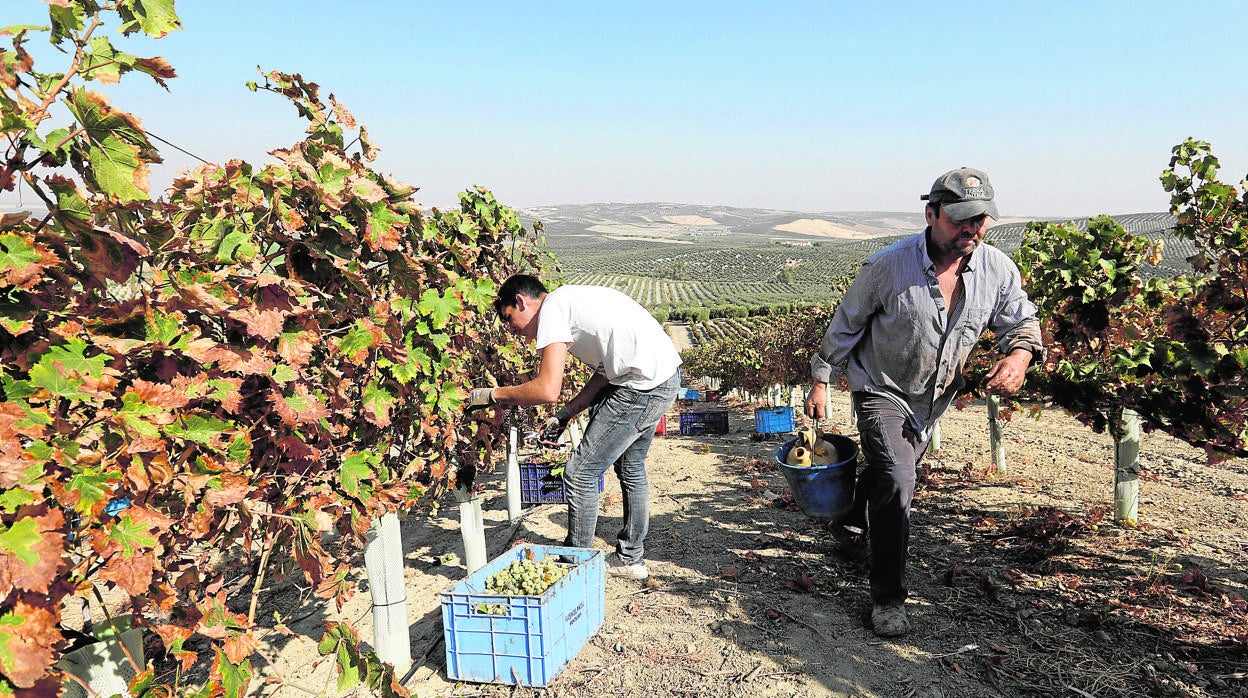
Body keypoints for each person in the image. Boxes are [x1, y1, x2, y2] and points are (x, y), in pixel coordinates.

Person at [804, 167, 1044, 637]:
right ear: (931, 214)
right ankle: (888, 597)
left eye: (981, 219)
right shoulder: (887, 267)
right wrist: (820, 379)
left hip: (933, 401)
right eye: (961, 219)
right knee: (898, 476)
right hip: (881, 387)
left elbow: (1021, 323)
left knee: (886, 472)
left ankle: (851, 521)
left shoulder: (997, 269)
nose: (972, 229)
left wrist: (1018, 356)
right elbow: (846, 325)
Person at [466, 274, 682, 580]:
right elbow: (607, 371)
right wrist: (568, 412)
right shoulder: (572, 302)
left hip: (641, 387)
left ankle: (576, 564)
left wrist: (492, 395)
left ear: (522, 302)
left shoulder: (552, 309)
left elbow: (546, 389)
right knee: (631, 469)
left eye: (511, 320)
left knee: (579, 473)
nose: (514, 331)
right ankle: (630, 559)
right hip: (661, 378)